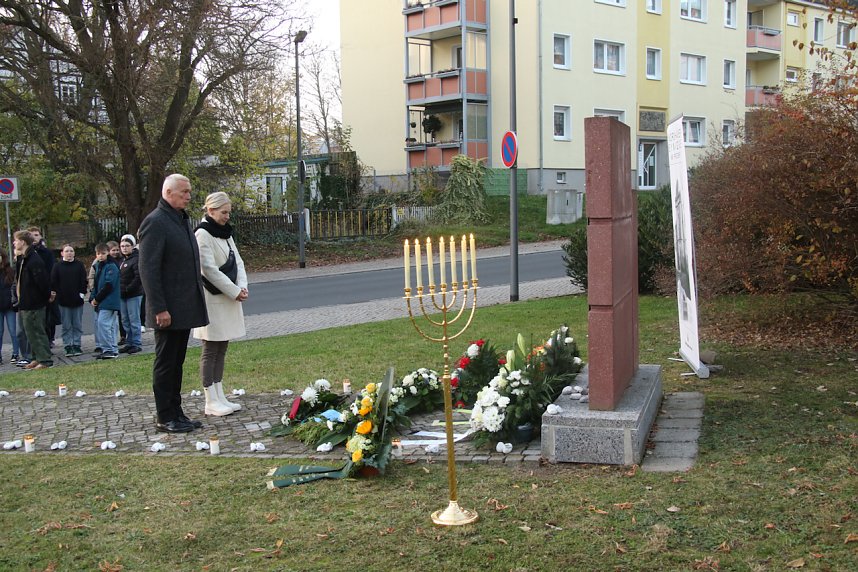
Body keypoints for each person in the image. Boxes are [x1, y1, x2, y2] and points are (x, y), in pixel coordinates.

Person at [139, 174, 208, 433]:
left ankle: (176, 412)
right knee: (166, 362)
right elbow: (148, 270)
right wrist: (159, 307)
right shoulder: (156, 222)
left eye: (189, 191)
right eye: (184, 192)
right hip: (167, 309)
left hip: (182, 306)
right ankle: (164, 415)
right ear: (169, 192)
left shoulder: (179, 220)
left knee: (176, 362)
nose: (189, 196)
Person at [192, 192, 247, 416]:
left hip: (229, 296)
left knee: (222, 346)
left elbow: (238, 260)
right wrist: (234, 290)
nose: (227, 217)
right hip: (213, 298)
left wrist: (242, 286)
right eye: (223, 212)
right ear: (210, 211)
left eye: (228, 212)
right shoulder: (202, 234)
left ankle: (220, 394)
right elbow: (208, 269)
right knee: (210, 348)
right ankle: (210, 399)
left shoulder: (225, 233)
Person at [12, 230, 53, 370]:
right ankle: (36, 357)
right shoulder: (24, 258)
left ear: (23, 242)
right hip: (25, 302)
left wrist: (44, 297)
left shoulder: (34, 259)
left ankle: (45, 359)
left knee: (37, 331)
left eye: (16, 240)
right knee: (29, 331)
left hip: (34, 302)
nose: (14, 243)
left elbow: (42, 282)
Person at [50, 244, 87, 357]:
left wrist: (81, 294)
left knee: (77, 324)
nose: (69, 253)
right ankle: (67, 345)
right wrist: (58, 295)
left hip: (77, 301)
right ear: (62, 253)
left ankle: (76, 344)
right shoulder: (57, 266)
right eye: (67, 251)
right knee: (66, 325)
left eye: (71, 251)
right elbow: (54, 282)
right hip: (63, 301)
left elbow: (83, 280)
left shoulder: (79, 265)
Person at [28, 227, 58, 346]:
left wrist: (51, 289)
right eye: (31, 235)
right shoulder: (26, 254)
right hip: (32, 291)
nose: (34, 237)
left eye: (36, 235)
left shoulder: (47, 253)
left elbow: (52, 271)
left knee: (49, 317)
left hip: (46, 288)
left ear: (40, 236)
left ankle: (49, 339)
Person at [91, 243, 121, 359]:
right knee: (109, 325)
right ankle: (112, 349)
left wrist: (97, 299)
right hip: (103, 300)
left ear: (107, 253)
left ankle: (108, 349)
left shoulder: (111, 266)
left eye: (103, 253)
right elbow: (97, 283)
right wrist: (93, 297)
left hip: (109, 300)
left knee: (103, 324)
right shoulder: (99, 266)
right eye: (98, 254)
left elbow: (109, 285)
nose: (101, 256)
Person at [118, 235, 143, 354]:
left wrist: (128, 289)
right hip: (122, 295)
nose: (124, 248)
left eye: (127, 246)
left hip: (133, 294)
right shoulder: (122, 261)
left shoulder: (136, 259)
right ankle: (129, 342)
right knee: (125, 320)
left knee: (134, 319)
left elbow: (138, 277)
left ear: (132, 247)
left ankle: (136, 343)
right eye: (122, 246)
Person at [0, 251, 20, 363]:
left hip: (9, 306)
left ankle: (15, 353)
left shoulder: (10, 271)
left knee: (13, 331)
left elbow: (14, 287)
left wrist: (14, 301)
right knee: (0, 332)